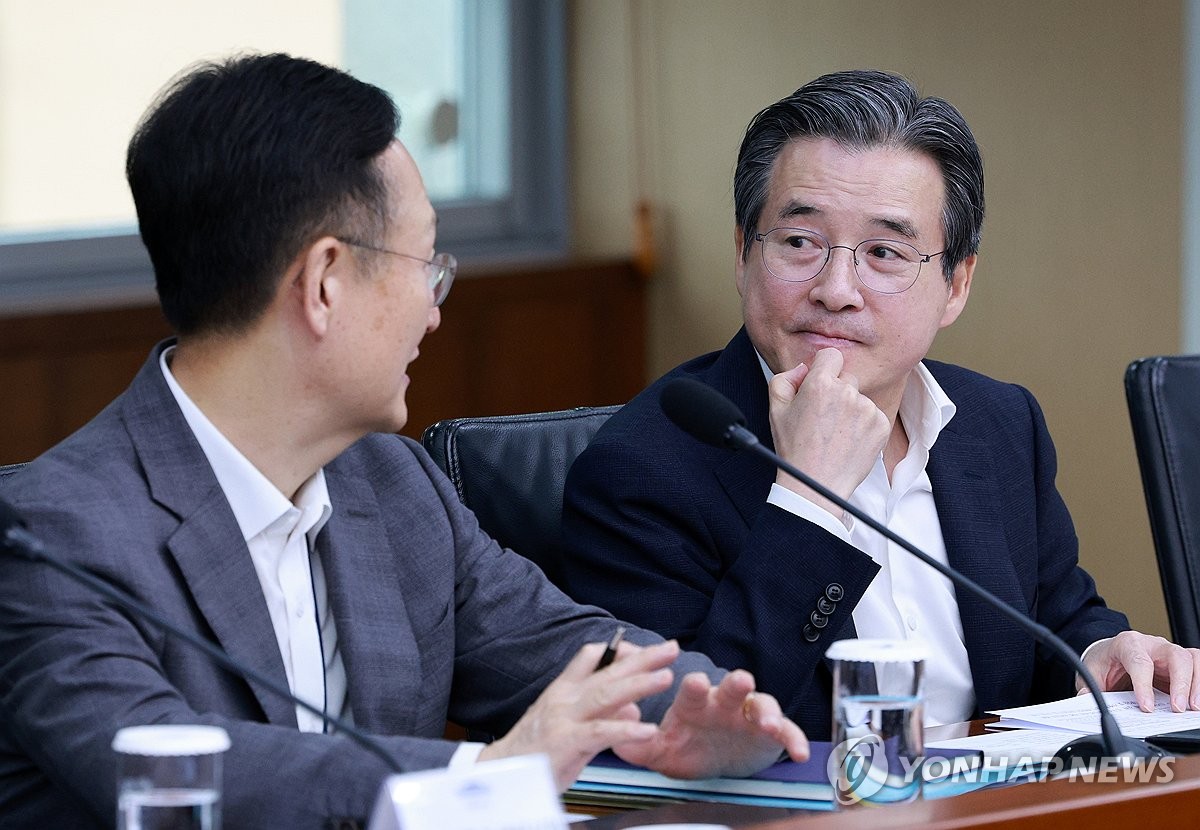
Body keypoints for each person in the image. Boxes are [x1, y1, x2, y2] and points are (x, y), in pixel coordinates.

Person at [0, 54, 809, 828]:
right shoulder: (49, 538)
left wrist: (704, 709)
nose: (434, 310)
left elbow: (560, 647)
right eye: (426, 265)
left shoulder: (388, 483)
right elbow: (172, 769)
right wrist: (484, 774)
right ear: (324, 283)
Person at [560, 69, 1200, 741]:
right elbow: (687, 732)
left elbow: (1058, 620)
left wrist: (1100, 655)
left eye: (885, 252)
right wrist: (810, 503)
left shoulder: (999, 424)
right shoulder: (640, 471)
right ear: (744, 253)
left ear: (956, 284)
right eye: (800, 242)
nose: (837, 289)